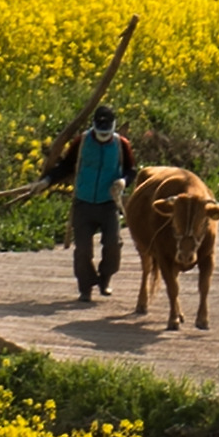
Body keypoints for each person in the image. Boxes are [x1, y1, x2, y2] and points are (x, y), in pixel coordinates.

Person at [39, 104, 136, 304]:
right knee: (82, 250)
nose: (103, 135)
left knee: (113, 245)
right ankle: (86, 288)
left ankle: (105, 279)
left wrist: (123, 181)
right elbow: (66, 166)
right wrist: (47, 181)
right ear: (93, 127)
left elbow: (131, 169)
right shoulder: (82, 142)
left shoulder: (121, 145)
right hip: (83, 203)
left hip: (108, 203)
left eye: (106, 132)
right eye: (100, 132)